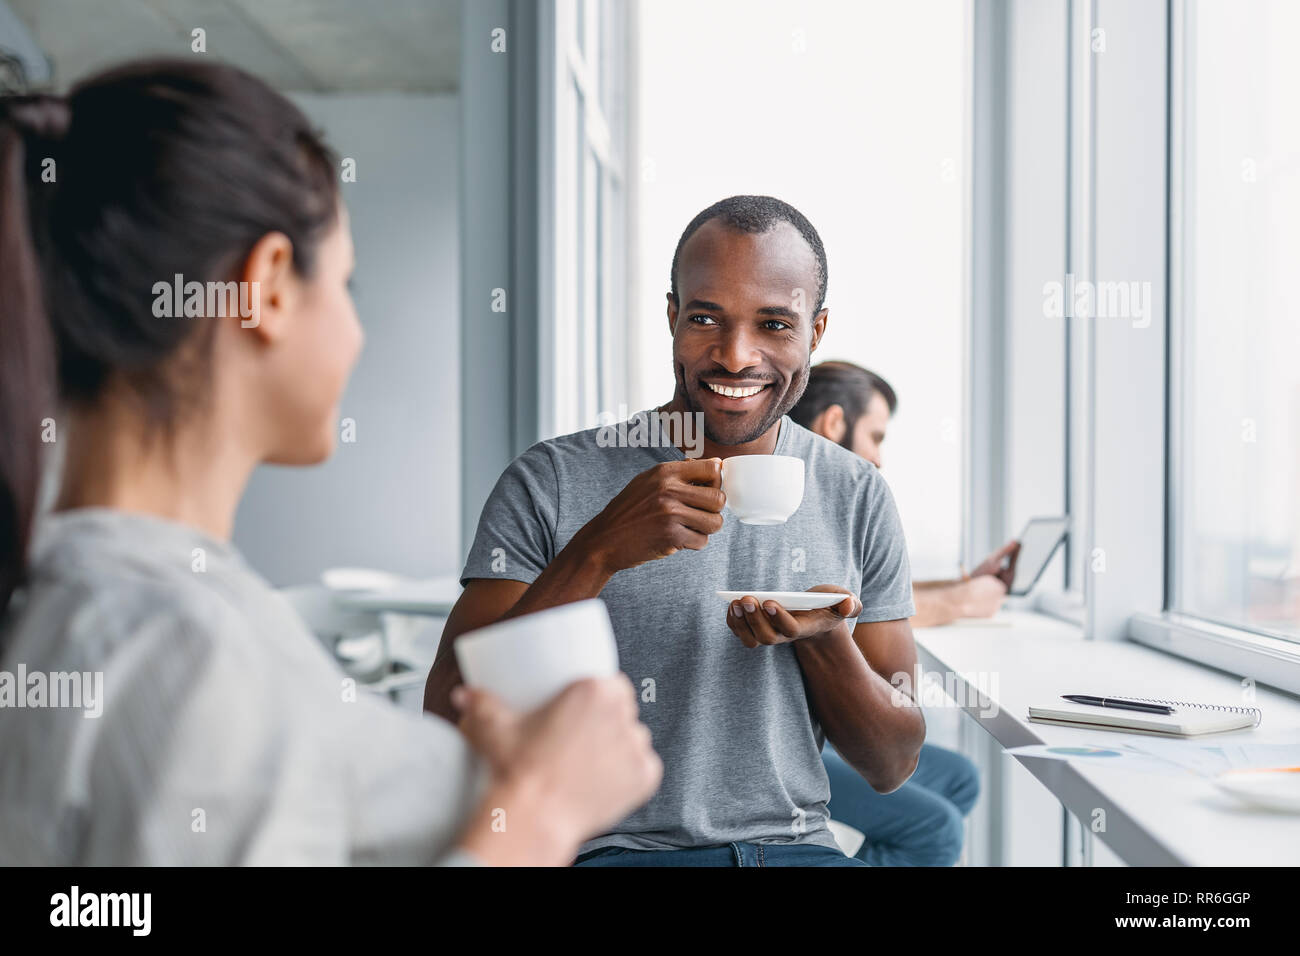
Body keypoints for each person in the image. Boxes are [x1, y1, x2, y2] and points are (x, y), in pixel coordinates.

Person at [0, 60, 660, 866]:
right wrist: (541, 813)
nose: (355, 332)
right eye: (346, 283)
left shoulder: (103, 599)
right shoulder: (185, 643)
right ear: (268, 287)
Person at [425, 195, 926, 867]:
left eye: (774, 324)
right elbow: (450, 716)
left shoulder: (858, 492)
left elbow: (893, 763)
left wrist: (828, 642)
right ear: (671, 318)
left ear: (817, 330)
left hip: (796, 850)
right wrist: (597, 550)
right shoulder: (550, 479)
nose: (735, 355)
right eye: (705, 319)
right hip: (617, 853)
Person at [791, 360, 1016, 865]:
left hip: (824, 729)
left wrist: (959, 586)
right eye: (876, 435)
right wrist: (959, 602)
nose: (879, 458)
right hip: (786, 740)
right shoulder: (798, 503)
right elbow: (838, 608)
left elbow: (870, 597)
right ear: (832, 424)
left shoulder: (844, 499)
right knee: (934, 830)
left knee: (959, 777)